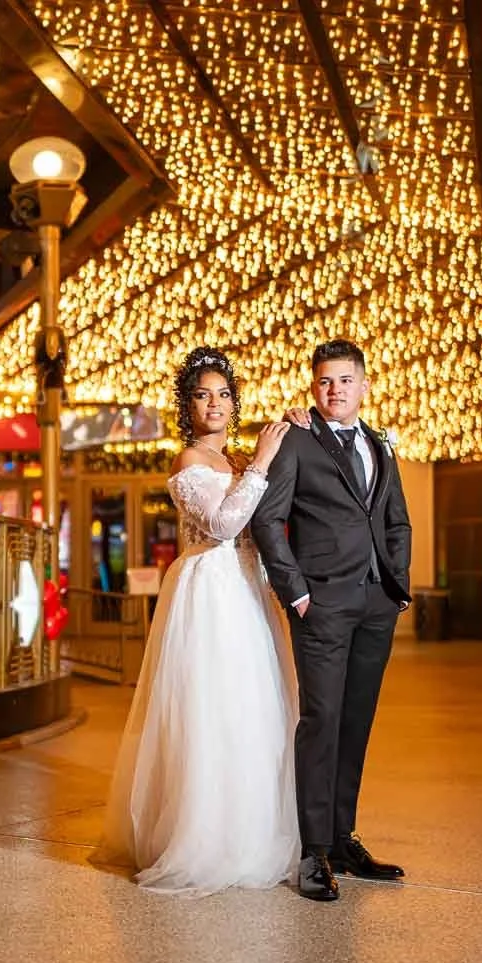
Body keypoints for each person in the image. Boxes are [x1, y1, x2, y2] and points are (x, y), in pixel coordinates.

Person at [96, 347, 300, 896]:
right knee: (210, 710)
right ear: (189, 406)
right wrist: (260, 463)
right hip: (209, 592)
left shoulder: (233, 463)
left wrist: (275, 451)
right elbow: (222, 524)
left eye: (224, 394)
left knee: (253, 710)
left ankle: (254, 832)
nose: (215, 403)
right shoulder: (191, 462)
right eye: (203, 394)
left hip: (247, 592)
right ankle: (206, 837)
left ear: (235, 404)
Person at [250, 339, 412, 902]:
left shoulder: (380, 444)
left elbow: (398, 522)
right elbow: (268, 522)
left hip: (374, 605)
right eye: (324, 381)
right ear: (312, 387)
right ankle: (313, 850)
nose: (335, 390)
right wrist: (296, 593)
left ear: (364, 385)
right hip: (320, 604)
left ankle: (343, 838)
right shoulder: (296, 440)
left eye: (345, 380)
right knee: (320, 722)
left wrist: (398, 588)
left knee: (355, 722)